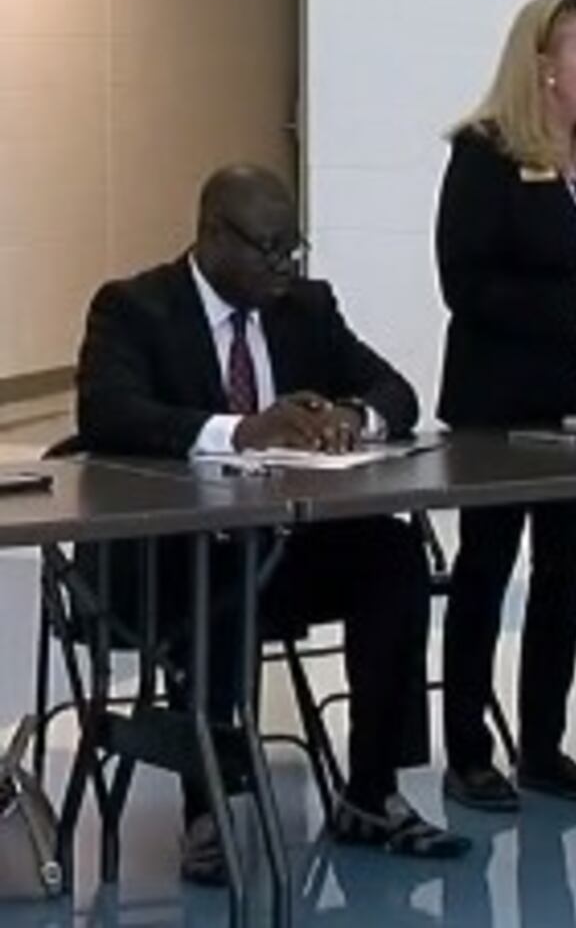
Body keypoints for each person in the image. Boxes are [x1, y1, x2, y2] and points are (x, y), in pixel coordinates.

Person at [75, 164, 467, 886]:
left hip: (278, 549)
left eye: (294, 246)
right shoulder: (136, 308)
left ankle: (371, 792)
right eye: (270, 246)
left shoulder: (305, 308)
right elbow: (109, 414)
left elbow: (397, 392)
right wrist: (240, 431)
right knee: (221, 576)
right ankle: (209, 810)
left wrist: (356, 417)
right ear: (213, 236)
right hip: (167, 562)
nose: (287, 263)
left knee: (392, 554)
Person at [436, 0, 576, 810]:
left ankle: (546, 743)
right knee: (486, 568)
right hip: (499, 397)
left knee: (565, 572)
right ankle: (466, 749)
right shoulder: (484, 154)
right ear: (545, 66)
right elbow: (466, 285)